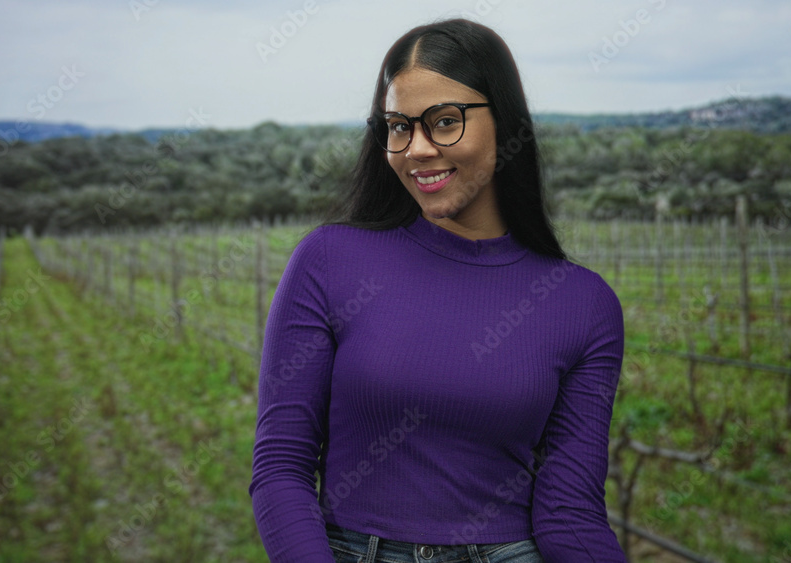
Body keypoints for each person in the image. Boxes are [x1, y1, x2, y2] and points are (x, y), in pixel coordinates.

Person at [249, 18, 626, 563]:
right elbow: (281, 469)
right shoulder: (329, 262)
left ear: (504, 121)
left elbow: (569, 513)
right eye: (398, 126)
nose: (417, 149)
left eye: (445, 122)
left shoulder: (583, 305)